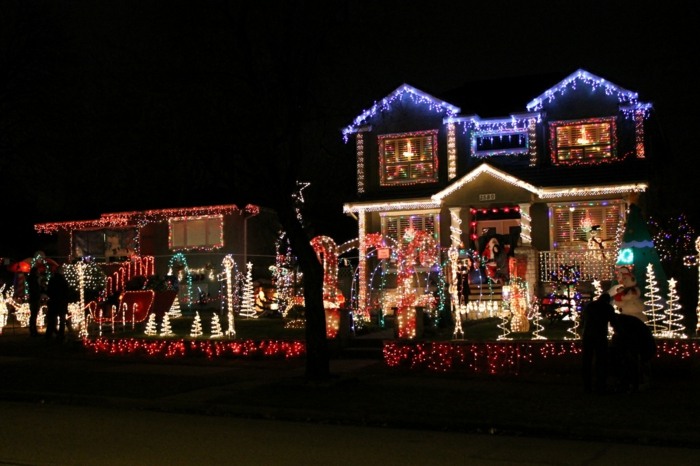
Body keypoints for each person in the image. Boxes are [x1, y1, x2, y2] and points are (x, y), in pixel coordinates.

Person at [581, 293, 617, 393]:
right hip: (600, 335)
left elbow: (583, 319)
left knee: (587, 360)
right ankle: (600, 385)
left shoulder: (590, 306)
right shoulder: (607, 307)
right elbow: (614, 322)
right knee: (601, 360)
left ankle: (587, 385)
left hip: (587, 335)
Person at [45, 269, 71, 341]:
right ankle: (60, 334)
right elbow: (67, 292)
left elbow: (48, 291)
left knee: (52, 319)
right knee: (62, 320)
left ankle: (49, 334)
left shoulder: (52, 281)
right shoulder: (63, 281)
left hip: (53, 302)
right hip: (61, 303)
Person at [27, 265, 46, 337]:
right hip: (35, 298)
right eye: (37, 271)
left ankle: (33, 330)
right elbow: (35, 289)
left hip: (34, 298)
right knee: (34, 315)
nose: (39, 272)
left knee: (34, 315)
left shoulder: (32, 279)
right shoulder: (34, 280)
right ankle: (33, 330)